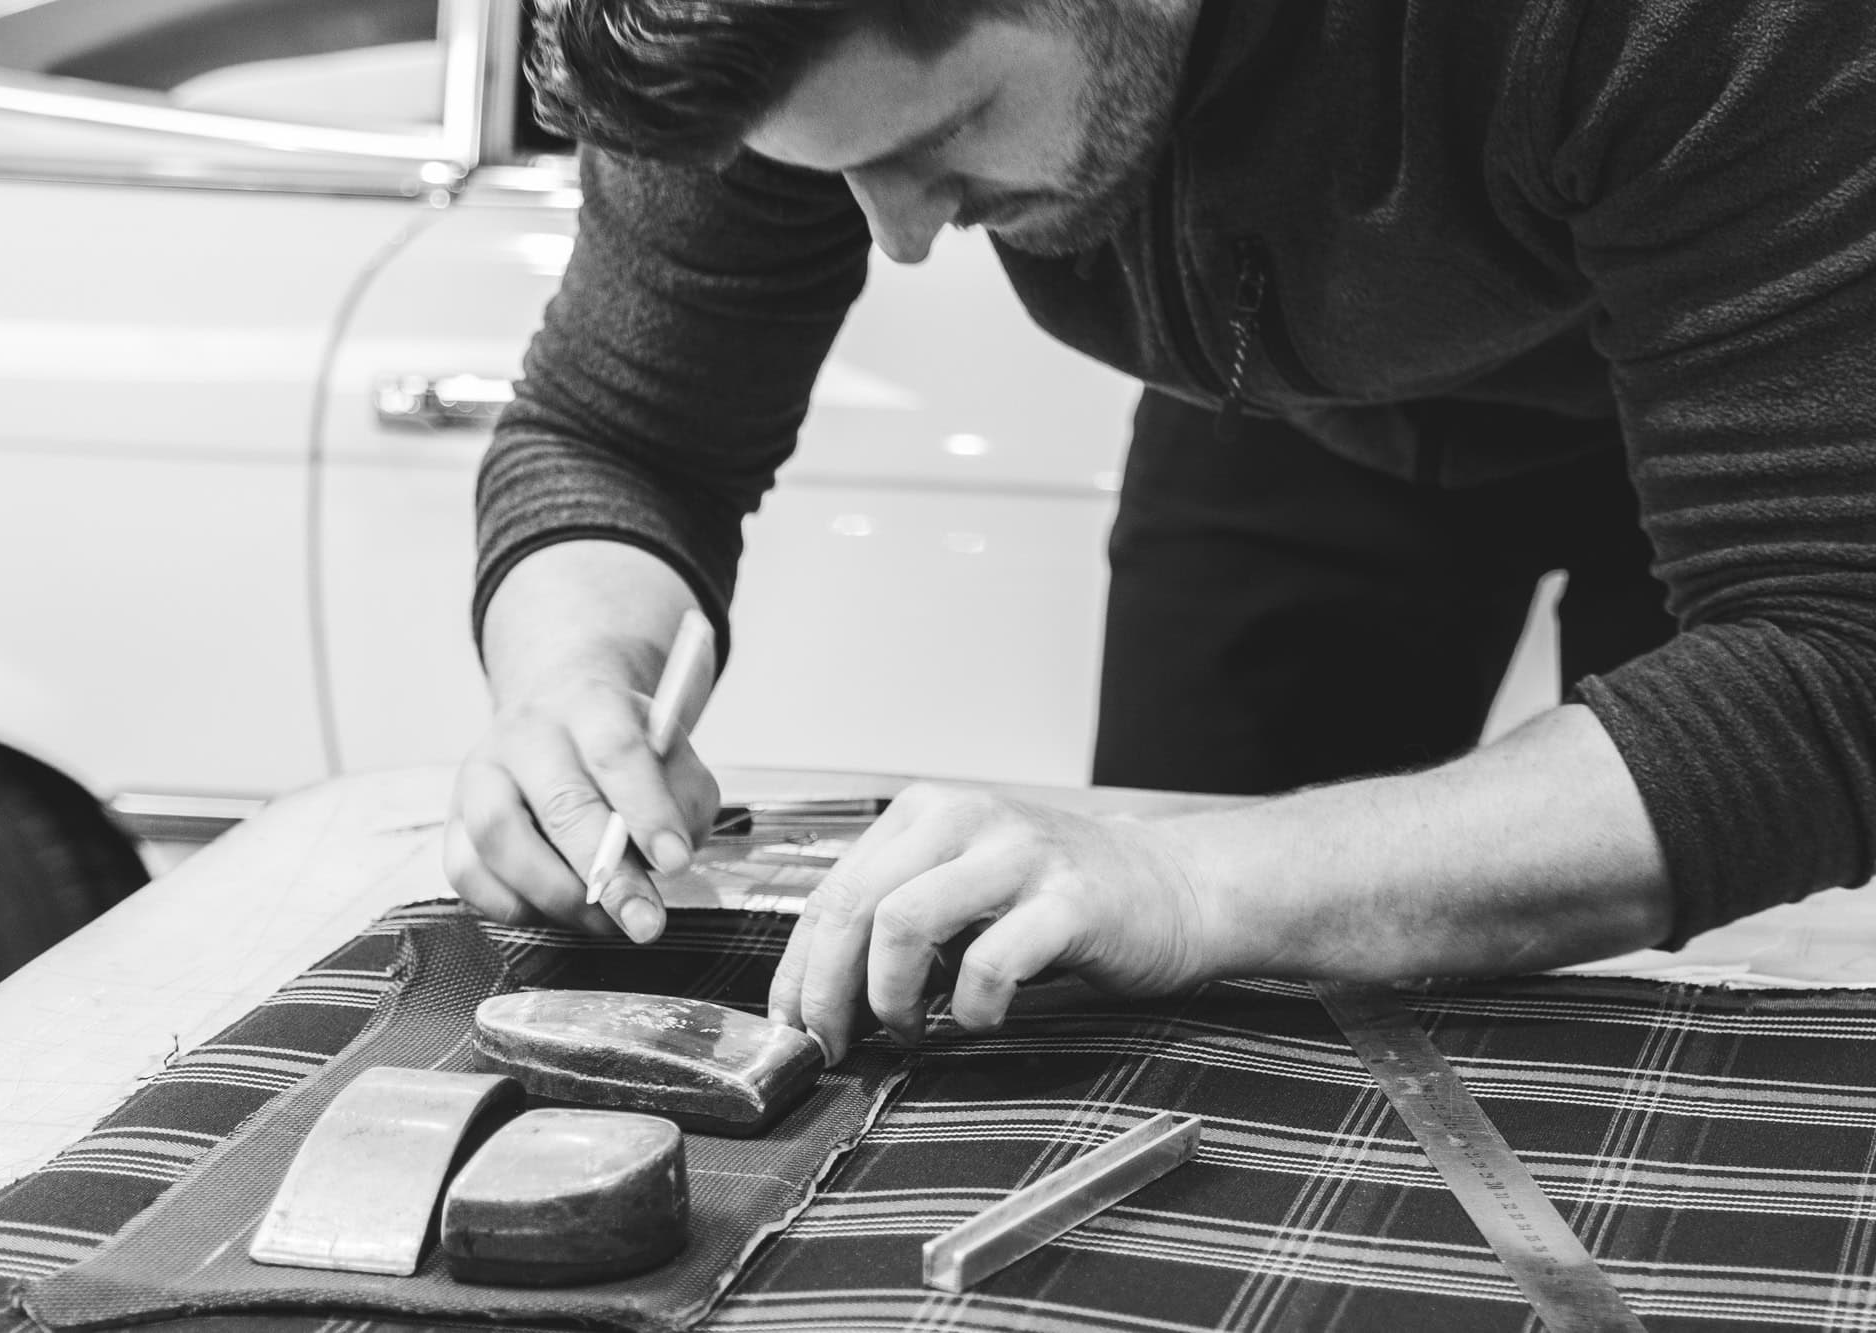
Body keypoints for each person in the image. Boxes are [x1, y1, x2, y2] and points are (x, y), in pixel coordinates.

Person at [443, 0, 1876, 1066]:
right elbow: (617, 436)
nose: (896, 236)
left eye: (943, 138)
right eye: (833, 170)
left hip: (1733, 391)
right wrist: (572, 683)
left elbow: (1829, 673)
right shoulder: (761, 40)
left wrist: (1189, 878)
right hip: (1280, 415)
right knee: (1122, 1014)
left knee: (1719, 1015)